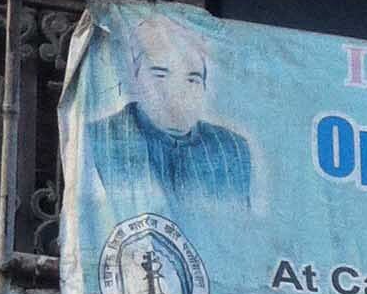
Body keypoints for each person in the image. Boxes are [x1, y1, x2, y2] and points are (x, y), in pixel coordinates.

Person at [89, 12, 254, 213]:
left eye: (192, 79)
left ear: (204, 85)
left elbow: (241, 232)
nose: (177, 93)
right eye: (160, 75)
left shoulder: (232, 148)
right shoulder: (97, 138)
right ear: (136, 78)